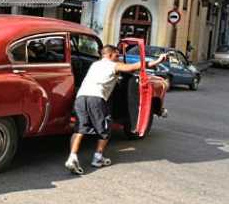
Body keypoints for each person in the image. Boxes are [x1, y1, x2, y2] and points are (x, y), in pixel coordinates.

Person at [64, 45, 167, 174]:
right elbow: (134, 67)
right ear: (110, 55)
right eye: (117, 55)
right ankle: (98, 157)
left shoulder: (95, 65)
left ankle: (72, 157)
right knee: (105, 129)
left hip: (81, 97)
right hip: (96, 98)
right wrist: (157, 61)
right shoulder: (113, 65)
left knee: (80, 129)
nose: (118, 58)